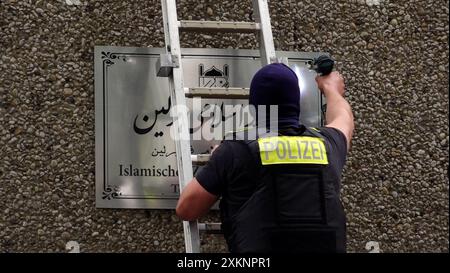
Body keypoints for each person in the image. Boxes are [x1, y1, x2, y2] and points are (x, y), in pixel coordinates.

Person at [176, 63, 354, 253]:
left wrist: (221, 162)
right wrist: (331, 89)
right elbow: (344, 119)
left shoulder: (236, 150)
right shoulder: (329, 144)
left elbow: (187, 208)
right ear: (297, 103)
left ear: (253, 107)